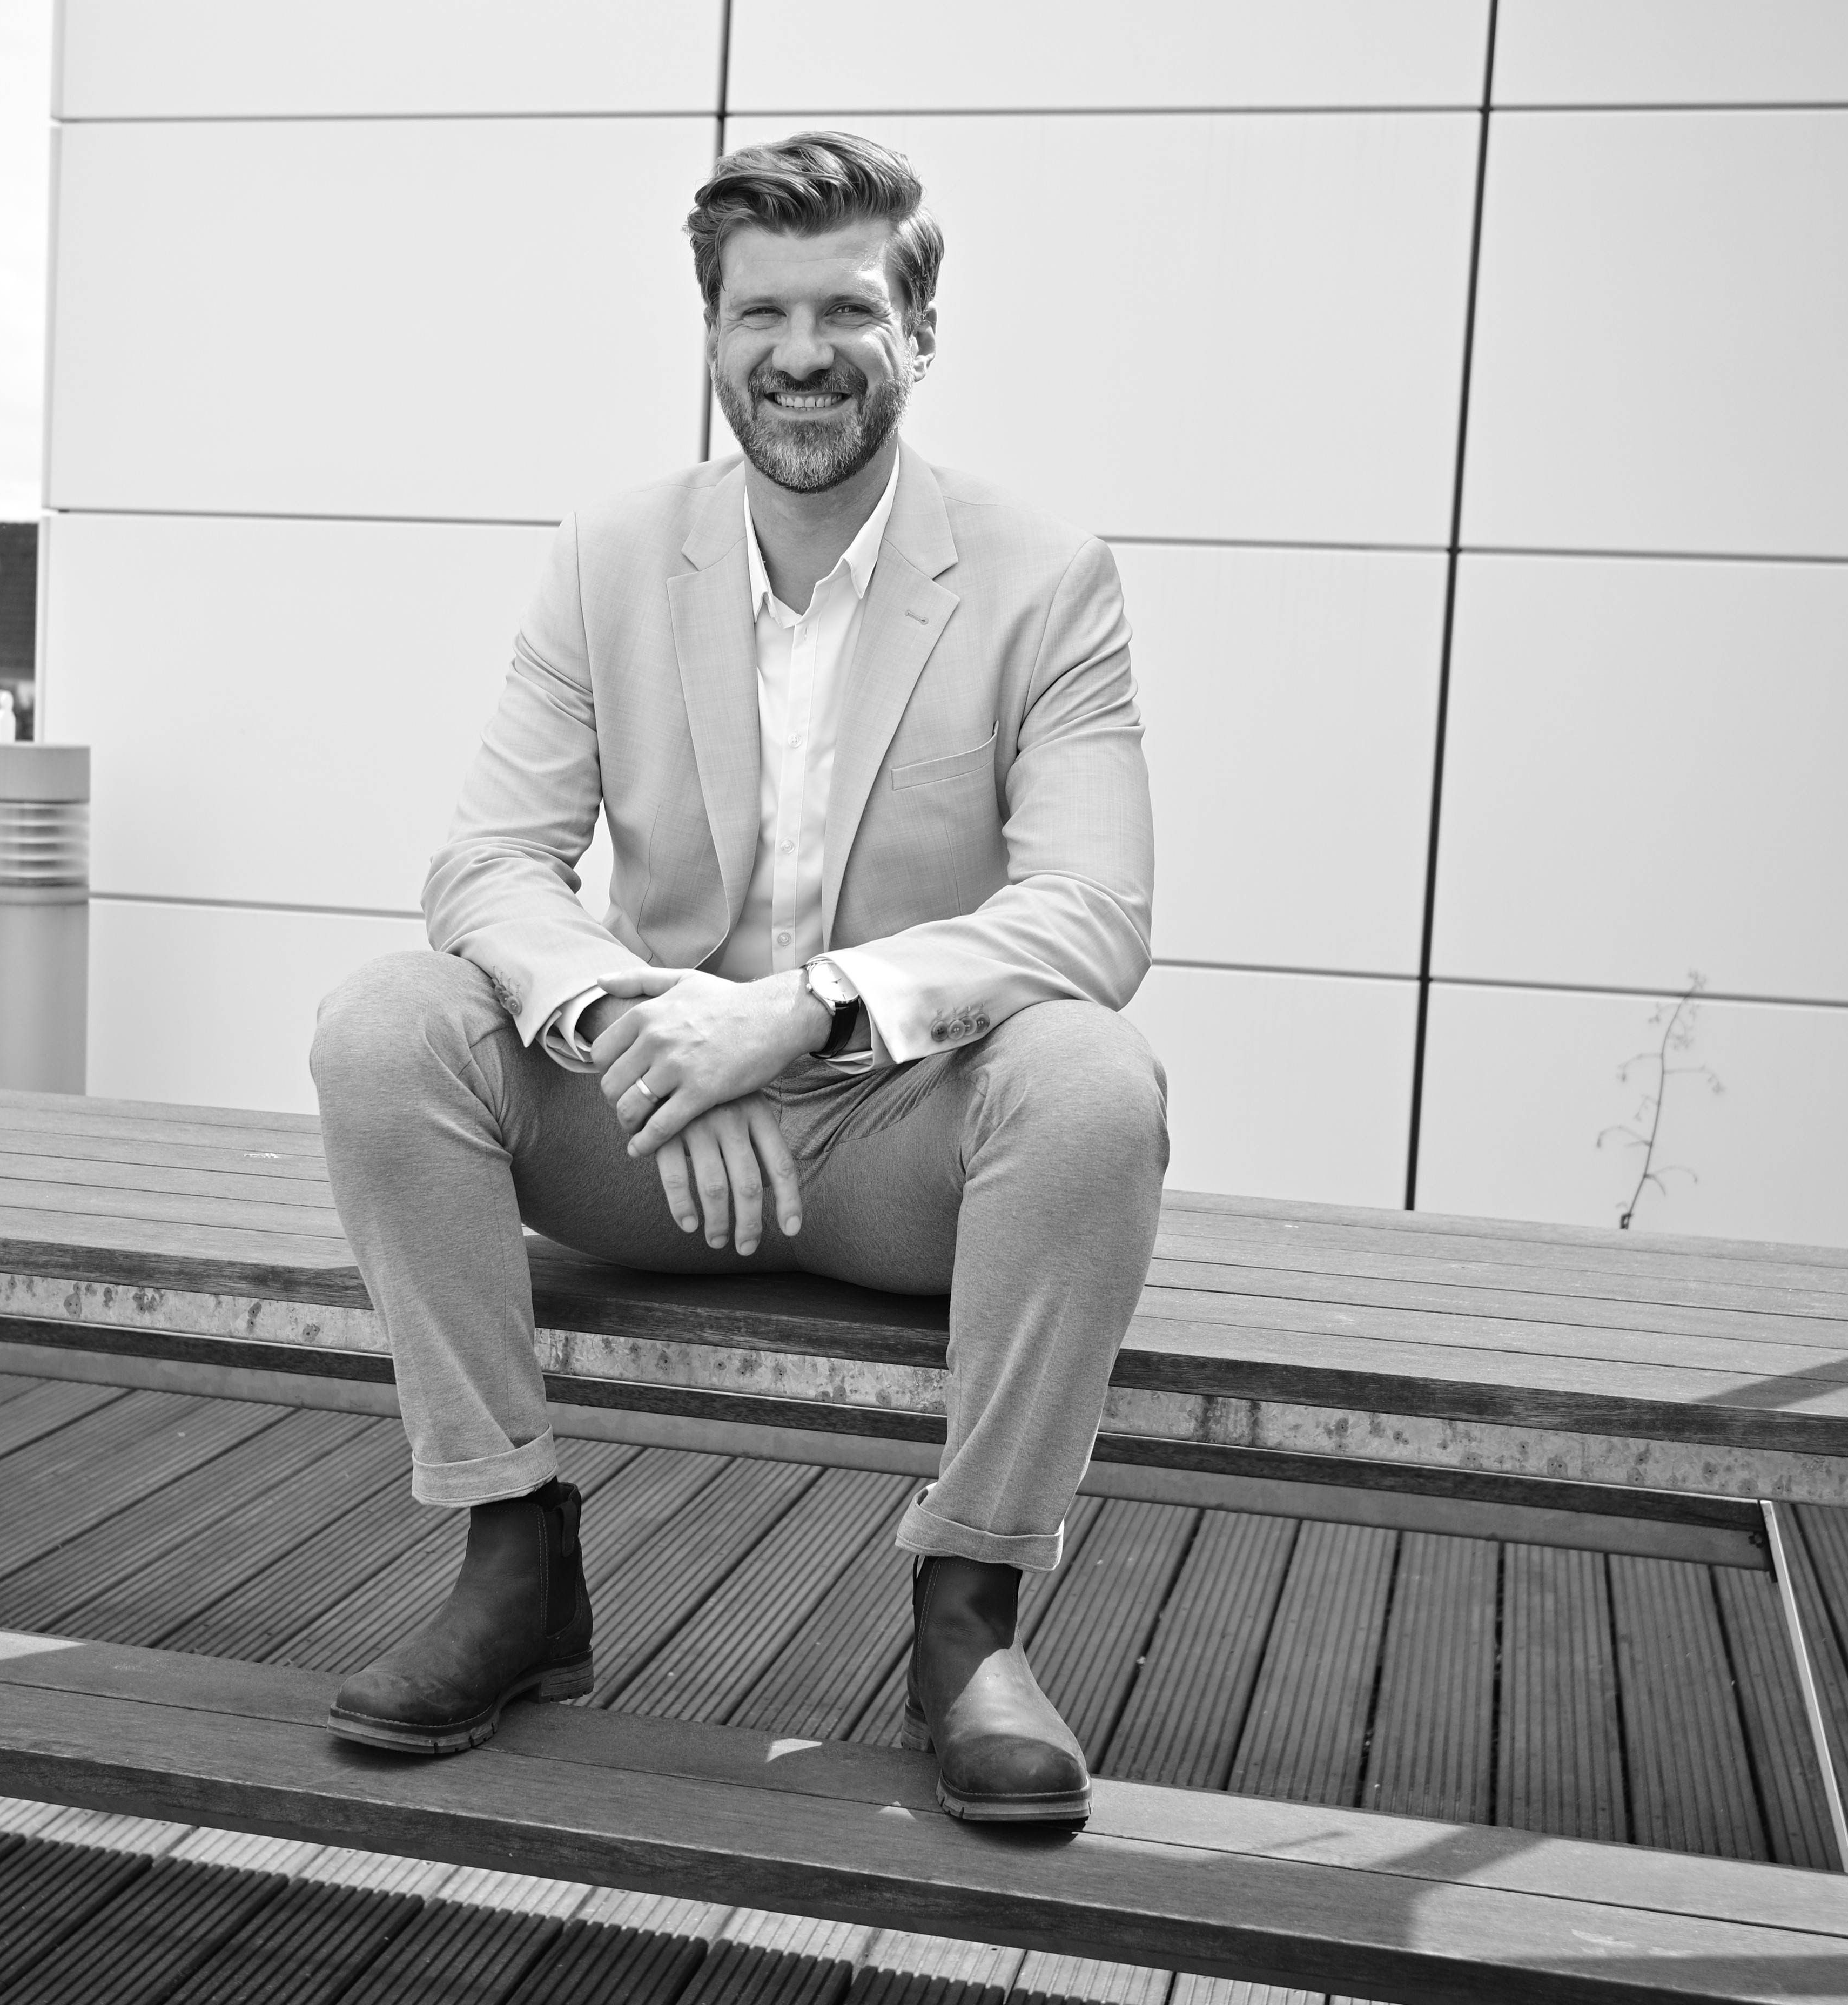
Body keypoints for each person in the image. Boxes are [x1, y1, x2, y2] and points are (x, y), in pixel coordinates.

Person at [308, 131, 1167, 1824]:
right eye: (758, 313)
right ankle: (514, 1551)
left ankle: (969, 1613)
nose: (799, 355)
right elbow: (485, 866)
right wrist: (643, 1026)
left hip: (892, 1146)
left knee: (1092, 1085)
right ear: (709, 336)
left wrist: (800, 1013)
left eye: (847, 309)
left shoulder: (1044, 580)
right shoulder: (610, 557)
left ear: (920, 333)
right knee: (386, 1025)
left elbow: (1093, 914)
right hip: (650, 1131)